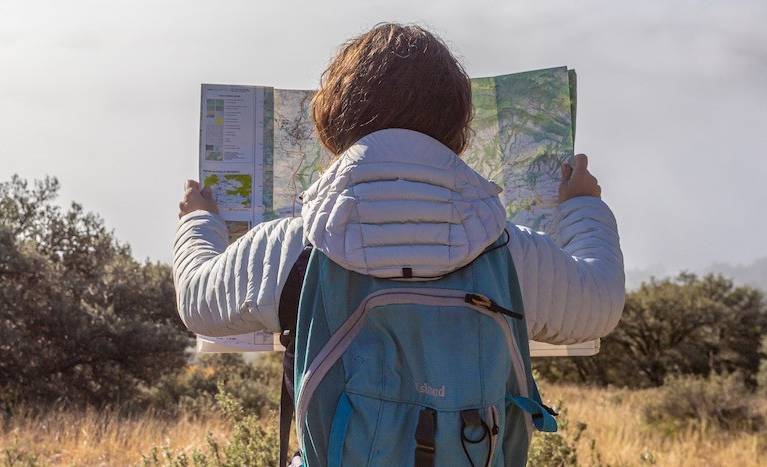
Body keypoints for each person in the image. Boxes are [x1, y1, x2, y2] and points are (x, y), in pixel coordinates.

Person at [173, 21, 624, 354]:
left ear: (334, 124)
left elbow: (198, 302)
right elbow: (599, 305)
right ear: (457, 127)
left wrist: (198, 222)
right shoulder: (506, 252)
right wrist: (583, 206)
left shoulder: (291, 249)